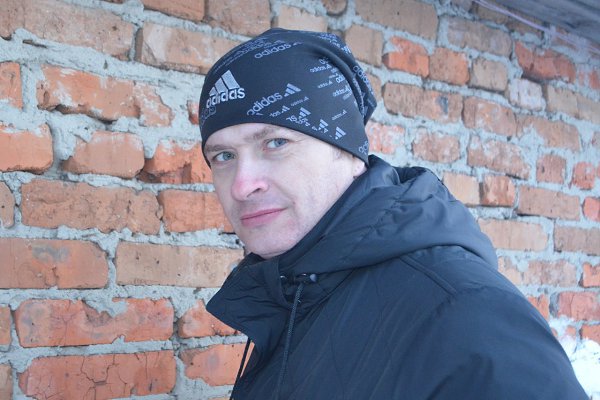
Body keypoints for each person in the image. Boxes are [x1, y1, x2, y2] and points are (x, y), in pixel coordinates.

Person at [199, 28, 587, 400]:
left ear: (348, 152)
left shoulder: (467, 314)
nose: (241, 186)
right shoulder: (297, 289)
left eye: (276, 143)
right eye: (224, 156)